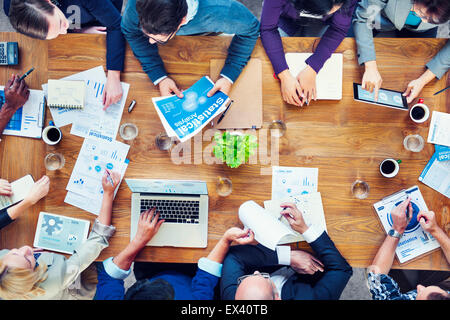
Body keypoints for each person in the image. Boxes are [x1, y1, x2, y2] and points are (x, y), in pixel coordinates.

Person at [0, 170, 121, 300]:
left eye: (15, 252)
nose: (25, 248)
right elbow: (98, 239)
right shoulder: (54, 280)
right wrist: (108, 193)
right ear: (34, 276)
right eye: (28, 259)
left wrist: (31, 258)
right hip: (81, 284)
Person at [94, 207, 255, 300]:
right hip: (192, 278)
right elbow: (204, 282)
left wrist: (139, 240)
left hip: (152, 270)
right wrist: (225, 239)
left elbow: (109, 276)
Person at [120, 0, 260, 99]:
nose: (150, 42)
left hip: (210, 37)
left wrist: (229, 76)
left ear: (182, 21)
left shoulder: (222, 12)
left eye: (157, 39)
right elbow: (130, 31)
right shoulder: (139, 4)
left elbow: (251, 29)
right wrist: (159, 77)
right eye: (146, 34)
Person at [5, 0, 126, 109]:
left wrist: (114, 77)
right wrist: (78, 30)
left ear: (48, 2)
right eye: (57, 32)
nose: (64, 31)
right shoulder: (13, 9)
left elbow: (116, 24)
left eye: (61, 23)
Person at [220, 202, 353, 300]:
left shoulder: (236, 297)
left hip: (273, 258)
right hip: (314, 271)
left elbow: (233, 257)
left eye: (245, 279)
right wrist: (305, 229)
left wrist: (288, 257)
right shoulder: (311, 298)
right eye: (263, 277)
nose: (256, 272)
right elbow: (342, 270)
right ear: (277, 297)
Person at [260, 0, 358, 107]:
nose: (335, 11)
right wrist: (284, 75)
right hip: (285, 18)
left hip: (321, 24)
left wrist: (313, 68)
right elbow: (268, 28)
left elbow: (338, 29)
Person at [353, 0, 450, 103]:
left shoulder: (426, 22)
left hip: (422, 31)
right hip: (382, 18)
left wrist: (423, 80)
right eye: (421, 13)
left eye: (431, 19)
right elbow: (364, 19)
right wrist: (370, 65)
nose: (424, 21)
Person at [366, 197, 450, 300]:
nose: (419, 286)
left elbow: (376, 277)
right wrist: (435, 230)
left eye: (420, 293)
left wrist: (397, 229)